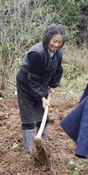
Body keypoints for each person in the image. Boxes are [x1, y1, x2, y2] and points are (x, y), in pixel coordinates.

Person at [16, 24, 67, 152]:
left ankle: (41, 145)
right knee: (27, 116)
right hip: (26, 85)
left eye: (59, 42)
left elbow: (58, 70)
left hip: (41, 84)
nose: (56, 45)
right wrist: (41, 96)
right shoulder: (36, 53)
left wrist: (53, 85)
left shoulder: (57, 53)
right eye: (54, 41)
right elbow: (31, 78)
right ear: (47, 38)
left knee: (42, 113)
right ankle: (29, 149)